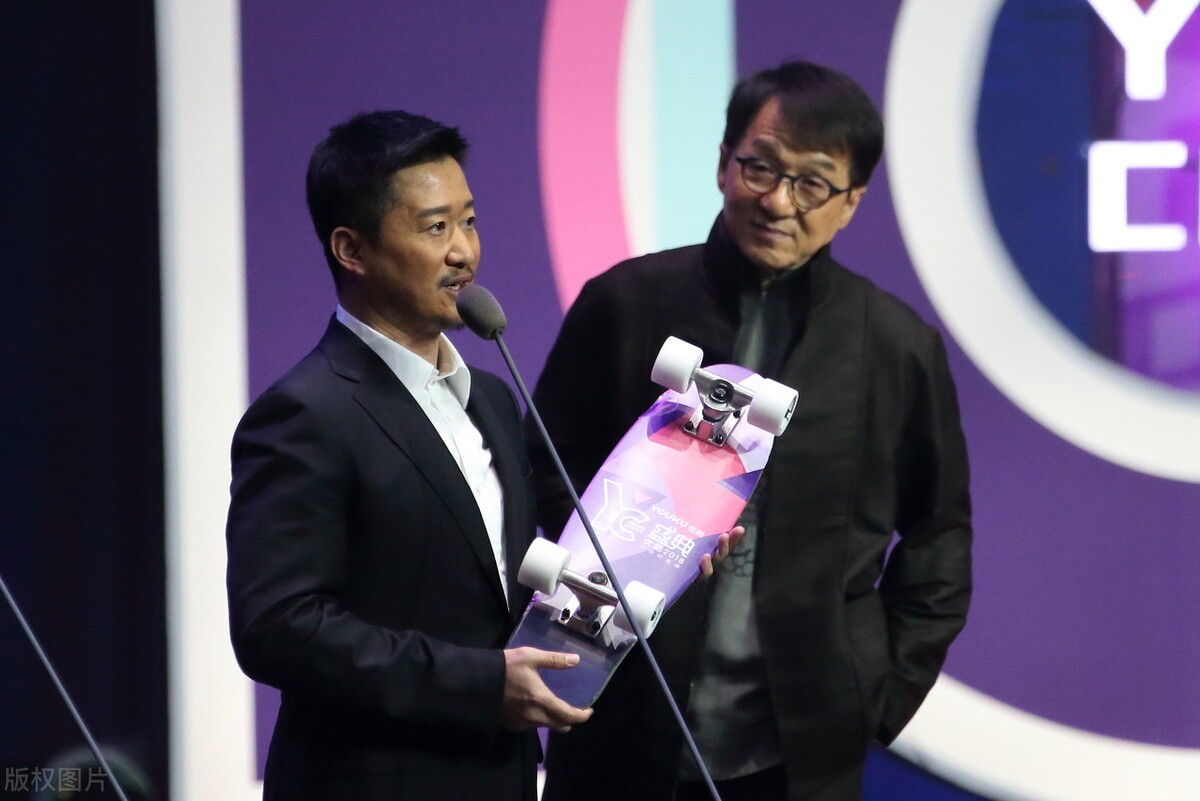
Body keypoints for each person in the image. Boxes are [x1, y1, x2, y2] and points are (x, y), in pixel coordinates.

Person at [530, 61, 973, 801]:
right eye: (760, 168)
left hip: (803, 746)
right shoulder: (625, 303)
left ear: (852, 202)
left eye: (813, 184)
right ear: (722, 164)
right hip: (617, 713)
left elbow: (940, 534)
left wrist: (879, 690)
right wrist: (605, 558)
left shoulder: (897, 348)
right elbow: (541, 465)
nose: (778, 201)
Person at [224, 109, 593, 801]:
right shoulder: (306, 414)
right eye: (435, 227)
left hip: (500, 777)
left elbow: (497, 590)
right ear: (351, 249)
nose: (464, 252)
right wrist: (482, 682)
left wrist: (660, 561)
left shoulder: (490, 397)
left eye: (469, 221)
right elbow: (277, 627)